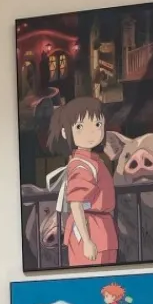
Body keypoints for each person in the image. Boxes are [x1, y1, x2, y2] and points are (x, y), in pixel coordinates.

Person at [47, 96, 118, 266]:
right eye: (80, 127)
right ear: (66, 132)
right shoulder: (81, 165)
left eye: (97, 124)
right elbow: (76, 204)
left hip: (102, 228)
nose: (91, 132)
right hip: (90, 228)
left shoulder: (92, 161)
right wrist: (87, 241)